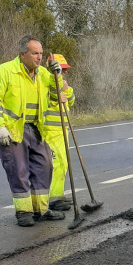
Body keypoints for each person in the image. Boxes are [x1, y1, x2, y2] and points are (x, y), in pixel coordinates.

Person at [0, 36, 69, 227]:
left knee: (44, 166)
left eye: (40, 53)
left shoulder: (42, 74)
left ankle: (40, 209)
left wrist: (56, 76)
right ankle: (24, 212)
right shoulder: (5, 71)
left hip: (36, 129)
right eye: (34, 53)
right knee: (19, 170)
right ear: (23, 53)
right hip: (13, 130)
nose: (39, 57)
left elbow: (56, 96)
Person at [39, 54, 76, 211]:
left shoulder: (62, 83)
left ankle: (58, 195)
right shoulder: (46, 81)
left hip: (62, 131)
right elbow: (42, 101)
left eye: (65, 70)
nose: (64, 73)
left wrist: (66, 92)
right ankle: (53, 198)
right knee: (56, 164)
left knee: (63, 164)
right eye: (62, 70)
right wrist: (56, 97)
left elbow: (71, 101)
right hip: (50, 131)